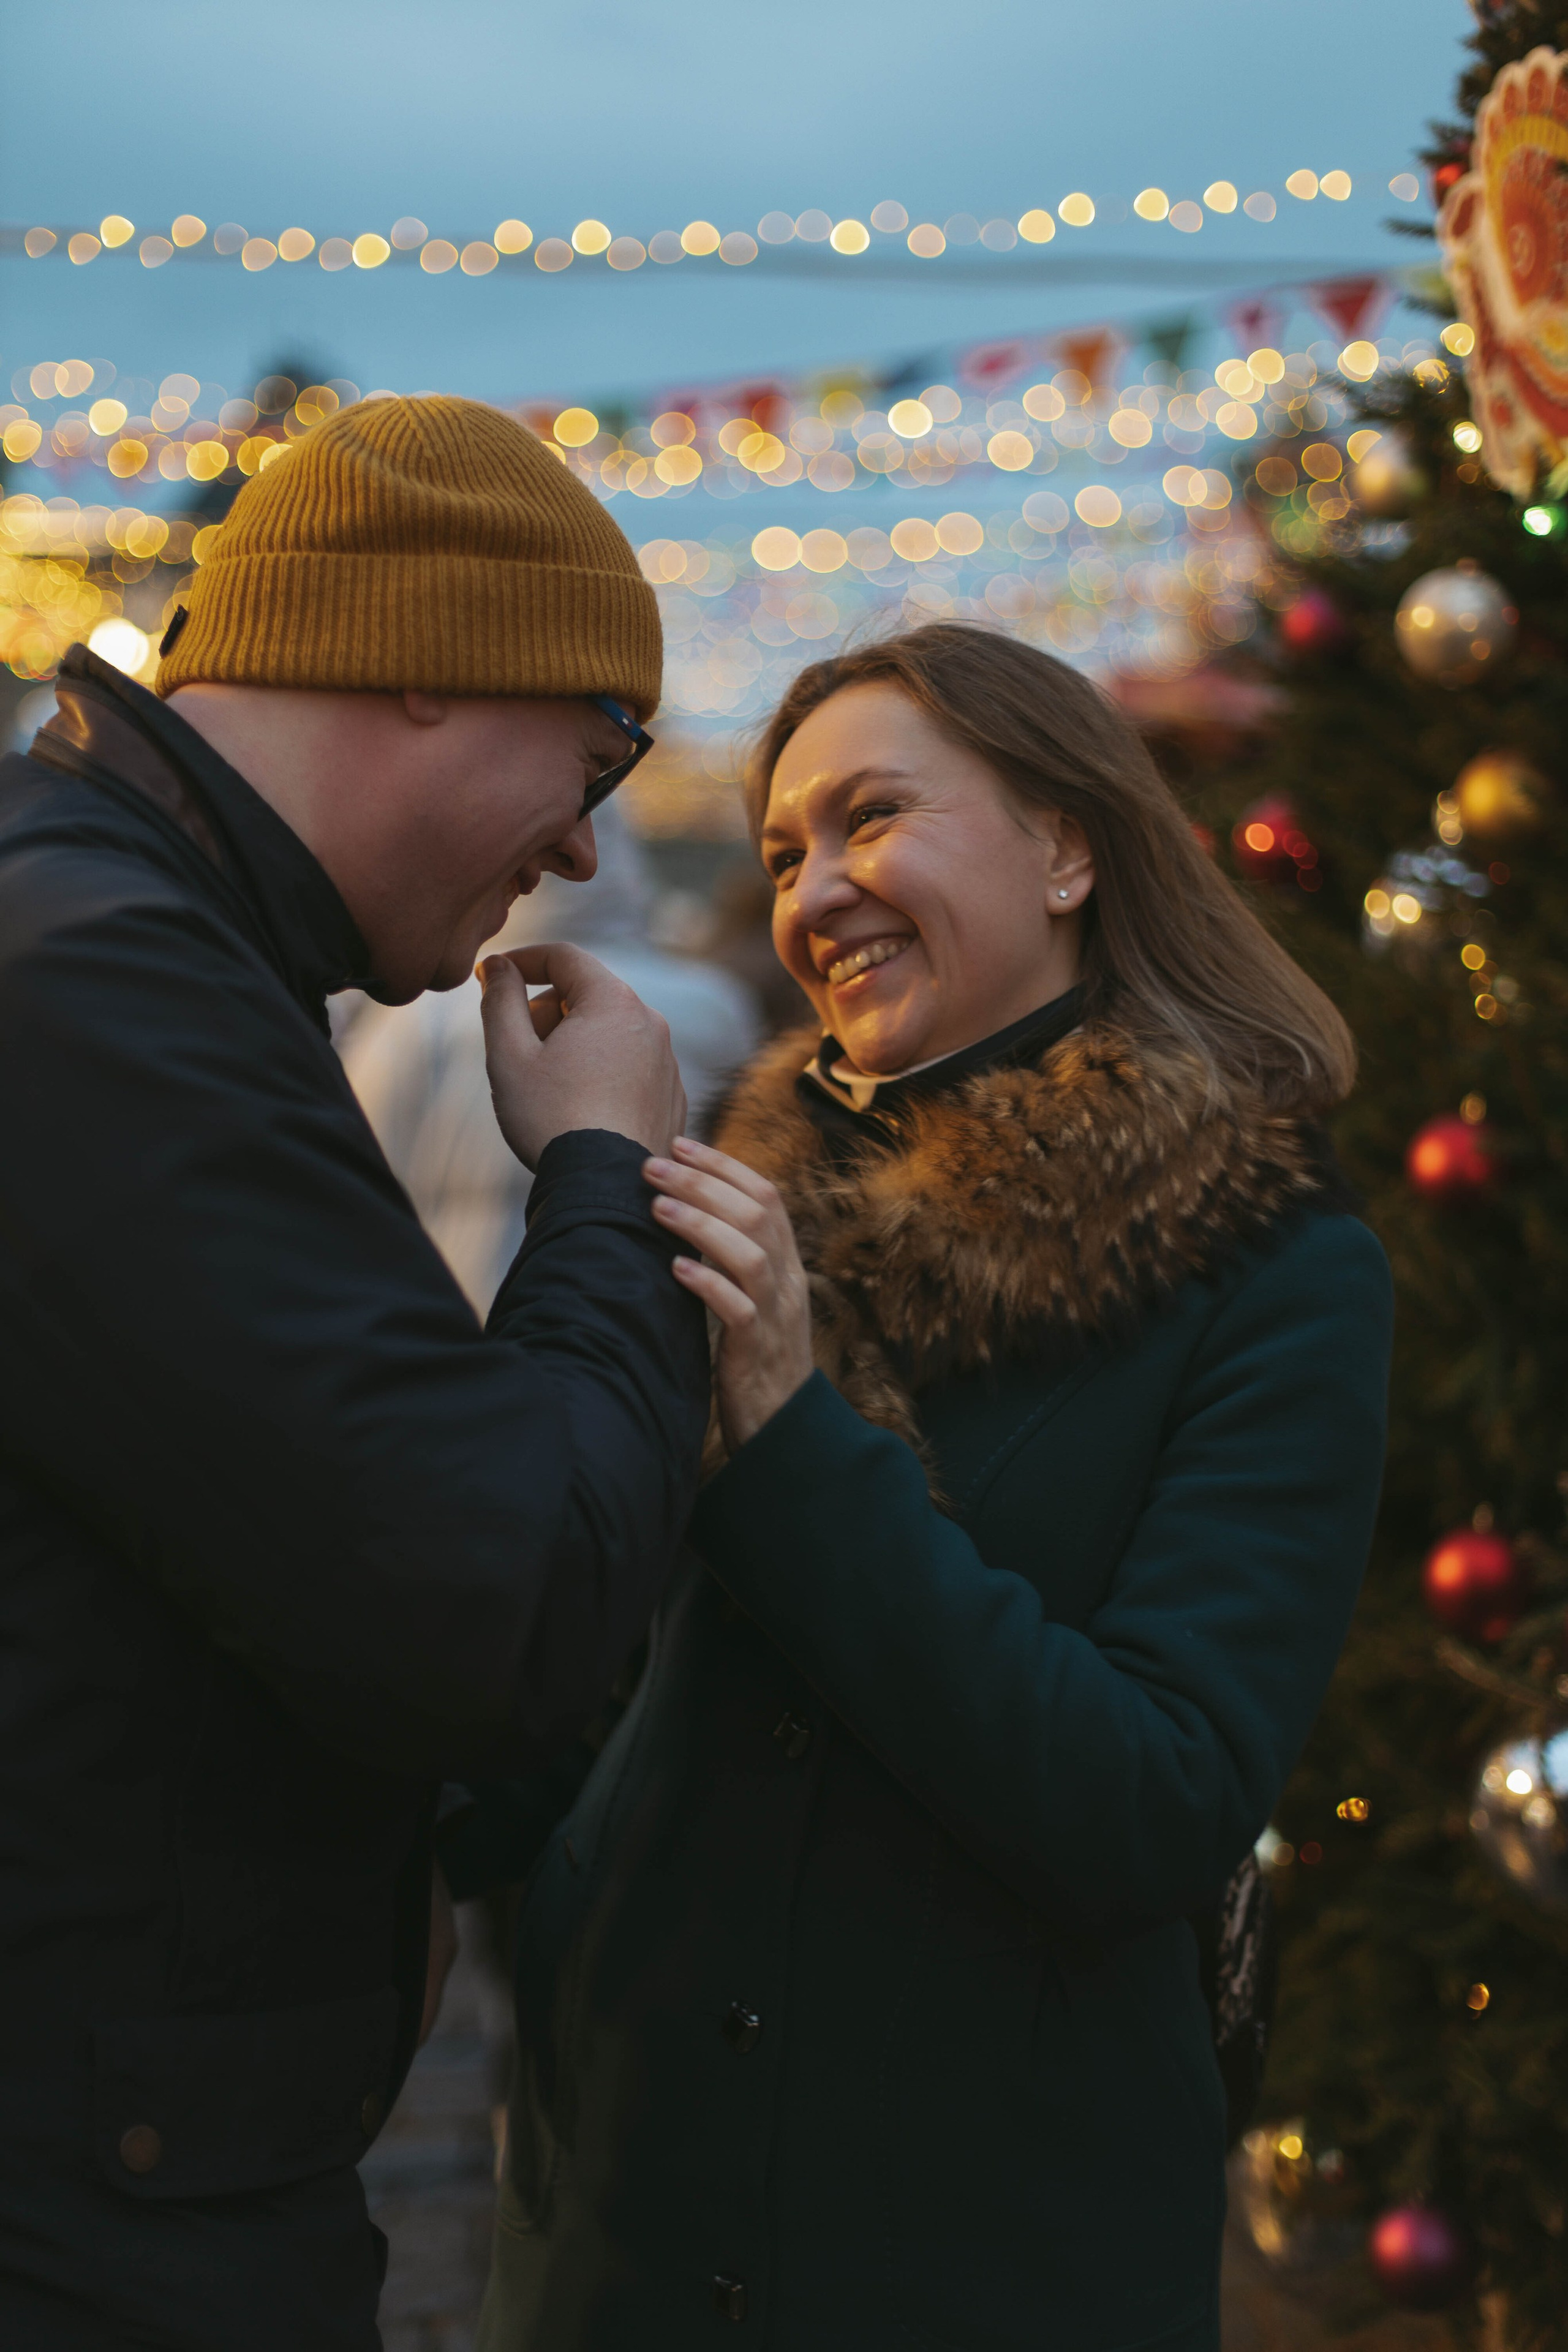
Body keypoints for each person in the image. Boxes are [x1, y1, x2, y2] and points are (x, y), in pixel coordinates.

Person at [462, 624, 1394, 2350]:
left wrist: (787, 1423)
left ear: (1069, 846)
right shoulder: (730, 1212)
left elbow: (1153, 1803)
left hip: (982, 2249)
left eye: (872, 818)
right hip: (622, 2226)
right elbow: (573, 1686)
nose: (818, 893)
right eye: (784, 855)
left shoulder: (1273, 1269)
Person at [0, 394, 710, 2351]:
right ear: (424, 657)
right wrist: (606, 1167)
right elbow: (497, 1592)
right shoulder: (93, 971)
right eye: (593, 752)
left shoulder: (131, 927)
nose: (582, 839)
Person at [341, 801, 761, 1314]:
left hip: (453, 1317)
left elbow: (356, 1175)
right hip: (641, 1311)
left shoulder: (417, 1012)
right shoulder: (712, 1002)